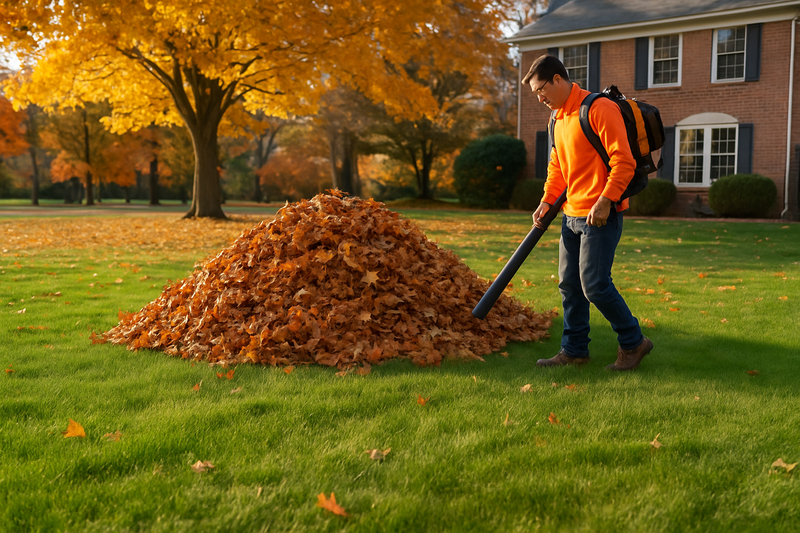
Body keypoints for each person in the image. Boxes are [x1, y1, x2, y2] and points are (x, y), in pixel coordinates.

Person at [523, 55, 653, 371]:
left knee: (594, 285)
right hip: (571, 215)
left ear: (558, 79)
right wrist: (547, 199)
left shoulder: (597, 108)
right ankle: (574, 350)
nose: (540, 98)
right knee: (569, 285)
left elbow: (623, 161)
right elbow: (557, 167)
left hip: (600, 214)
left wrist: (606, 200)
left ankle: (634, 342)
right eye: (536, 94)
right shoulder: (555, 118)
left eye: (541, 89)